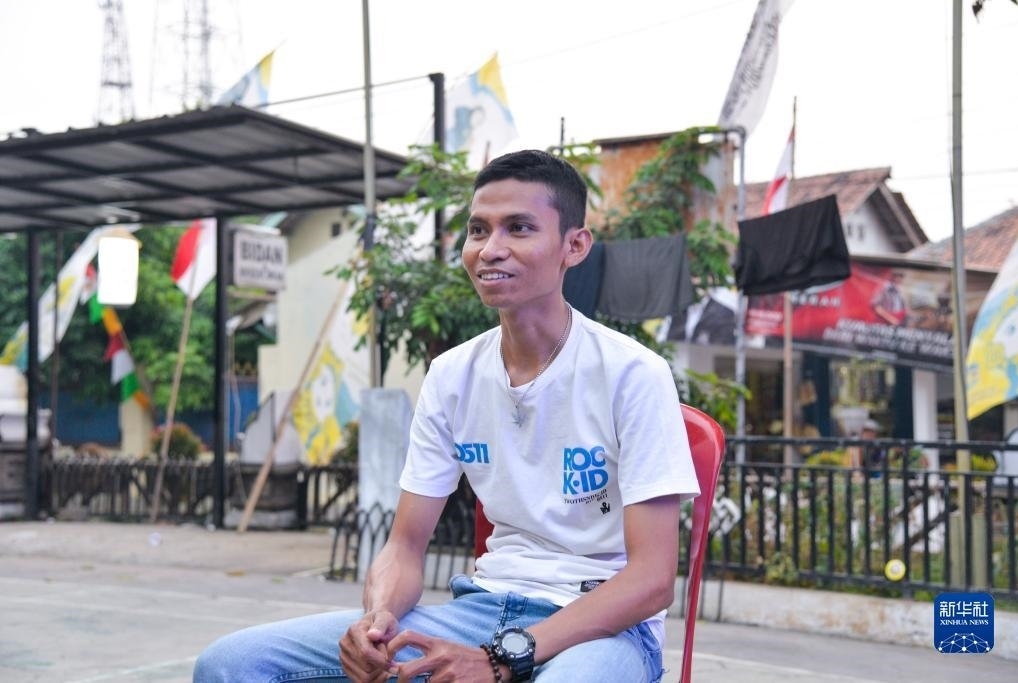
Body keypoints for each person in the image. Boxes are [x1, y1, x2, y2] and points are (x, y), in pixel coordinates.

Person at [193, 149, 700, 682]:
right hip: (482, 609)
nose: (490, 249)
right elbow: (405, 546)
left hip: (603, 630)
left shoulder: (631, 373)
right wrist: (378, 618)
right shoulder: (452, 375)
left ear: (574, 246)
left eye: (519, 228)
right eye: (478, 230)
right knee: (231, 664)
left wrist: (503, 658)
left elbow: (651, 581)